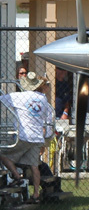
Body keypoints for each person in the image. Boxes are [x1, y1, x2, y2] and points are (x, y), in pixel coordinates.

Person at [0, 71, 56, 202]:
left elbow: (3, 100)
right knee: (34, 165)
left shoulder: (19, 97)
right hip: (37, 137)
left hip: (24, 135)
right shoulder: (43, 99)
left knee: (3, 154)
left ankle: (17, 177)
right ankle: (36, 194)